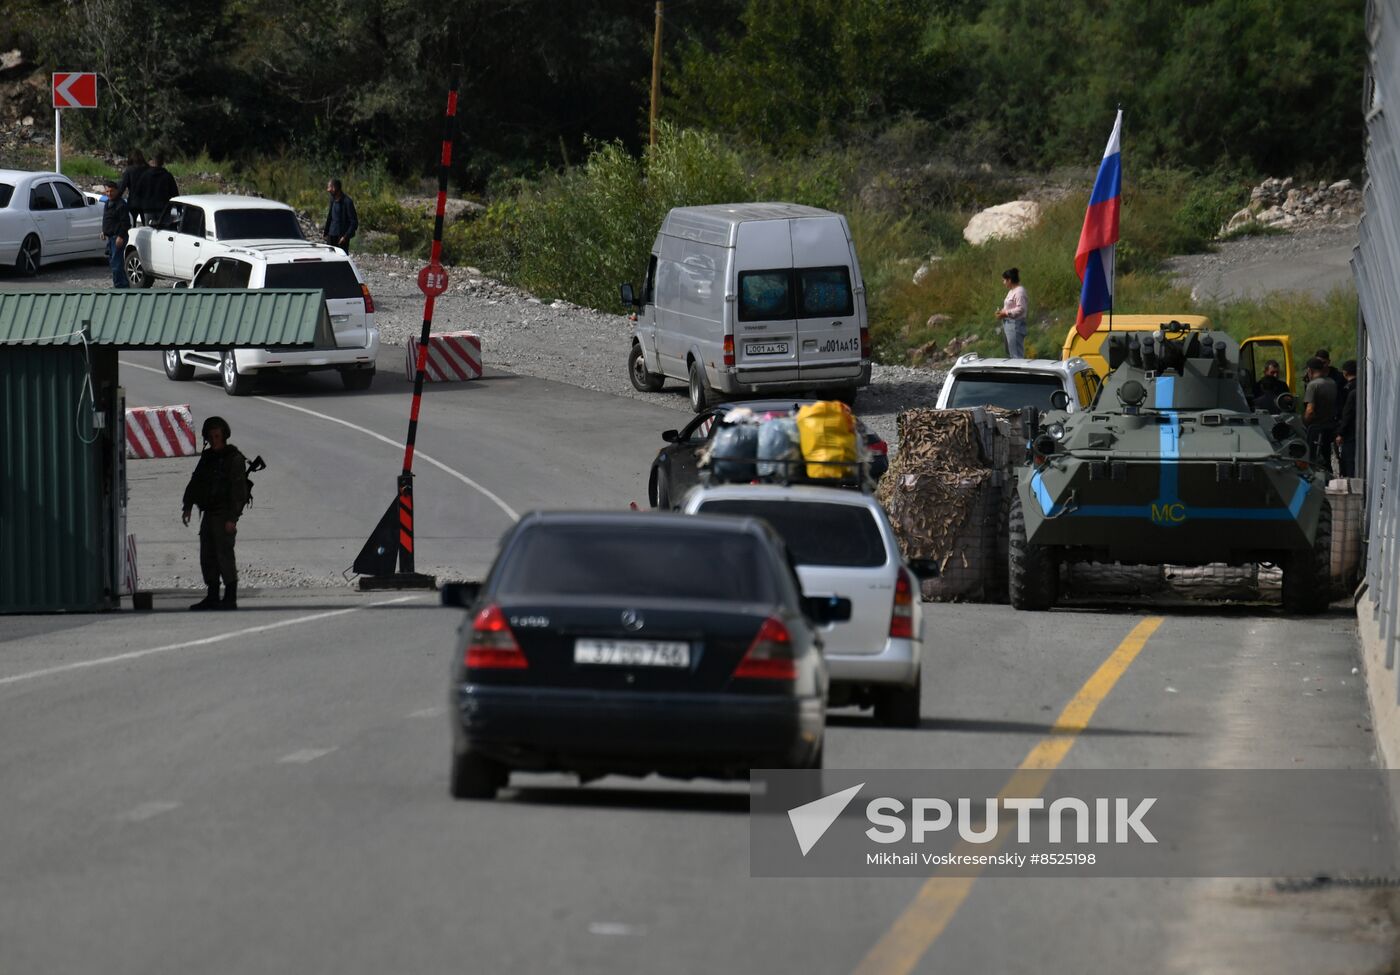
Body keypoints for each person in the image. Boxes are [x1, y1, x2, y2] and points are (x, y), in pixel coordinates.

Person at [182, 416, 250, 610]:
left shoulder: (234, 458)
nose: (214, 439)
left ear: (224, 435)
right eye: (211, 436)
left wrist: (232, 518)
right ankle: (212, 595)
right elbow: (195, 482)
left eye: (217, 435)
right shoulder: (207, 458)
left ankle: (230, 597)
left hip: (224, 514)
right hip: (209, 513)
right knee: (207, 555)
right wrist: (187, 505)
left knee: (224, 555)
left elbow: (239, 491)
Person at [1302, 356, 1339, 478]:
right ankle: (1329, 478)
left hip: (1316, 428)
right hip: (1330, 426)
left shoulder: (1313, 385)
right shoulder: (1332, 382)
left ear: (1309, 370)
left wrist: (1304, 422)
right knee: (1327, 455)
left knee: (1312, 458)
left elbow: (1310, 411)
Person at [100, 177, 130, 288]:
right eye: (107, 191)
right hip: (110, 237)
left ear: (117, 191)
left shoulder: (121, 205)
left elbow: (126, 223)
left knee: (117, 264)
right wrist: (104, 231)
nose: (109, 193)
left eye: (111, 191)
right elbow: (106, 219)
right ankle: (122, 285)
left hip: (118, 237)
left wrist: (121, 237)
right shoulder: (107, 203)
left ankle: (120, 287)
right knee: (113, 263)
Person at [995, 267, 1028, 358]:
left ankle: (1019, 371)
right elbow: (1009, 306)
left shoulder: (1019, 292)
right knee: (1010, 352)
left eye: (1004, 280)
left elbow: (1021, 308)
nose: (1003, 283)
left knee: (1016, 354)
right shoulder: (1011, 292)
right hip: (1008, 324)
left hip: (1015, 325)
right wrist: (1001, 312)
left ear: (1009, 280)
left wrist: (1006, 313)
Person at [141, 151, 179, 226]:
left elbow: (139, 192)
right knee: (163, 232)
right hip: (164, 210)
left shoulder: (145, 175)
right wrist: (178, 208)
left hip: (148, 209)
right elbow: (175, 194)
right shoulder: (167, 176)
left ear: (152, 161)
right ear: (162, 162)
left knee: (149, 232)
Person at [1335, 359, 1359, 478]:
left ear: (1345, 373)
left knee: (1348, 460)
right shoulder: (1364, 385)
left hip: (1349, 431)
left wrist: (1340, 432)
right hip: (1363, 428)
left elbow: (1346, 413)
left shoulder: (1347, 389)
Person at [323, 178, 358, 252]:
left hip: (341, 238)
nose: (328, 190)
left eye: (329, 187)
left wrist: (345, 236)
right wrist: (325, 233)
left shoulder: (347, 202)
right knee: (330, 257)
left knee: (341, 258)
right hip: (331, 236)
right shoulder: (332, 200)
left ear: (334, 188)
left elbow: (354, 222)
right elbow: (330, 217)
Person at [116, 149, 148, 225]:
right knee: (147, 227)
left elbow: (122, 187)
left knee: (130, 224)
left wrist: (116, 200)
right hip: (147, 203)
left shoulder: (129, 170)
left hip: (133, 202)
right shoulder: (148, 169)